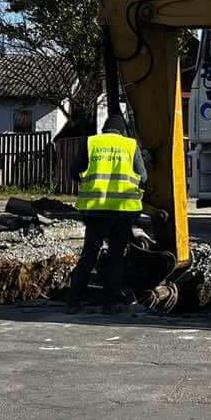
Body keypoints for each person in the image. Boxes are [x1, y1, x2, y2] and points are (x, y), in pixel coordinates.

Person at [66, 113, 147, 310]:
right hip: (122, 212)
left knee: (89, 255)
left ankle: (73, 301)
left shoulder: (91, 143)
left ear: (105, 128)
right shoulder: (130, 145)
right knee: (116, 257)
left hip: (95, 210)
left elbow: (74, 172)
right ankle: (110, 303)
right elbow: (143, 177)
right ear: (122, 130)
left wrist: (89, 182)